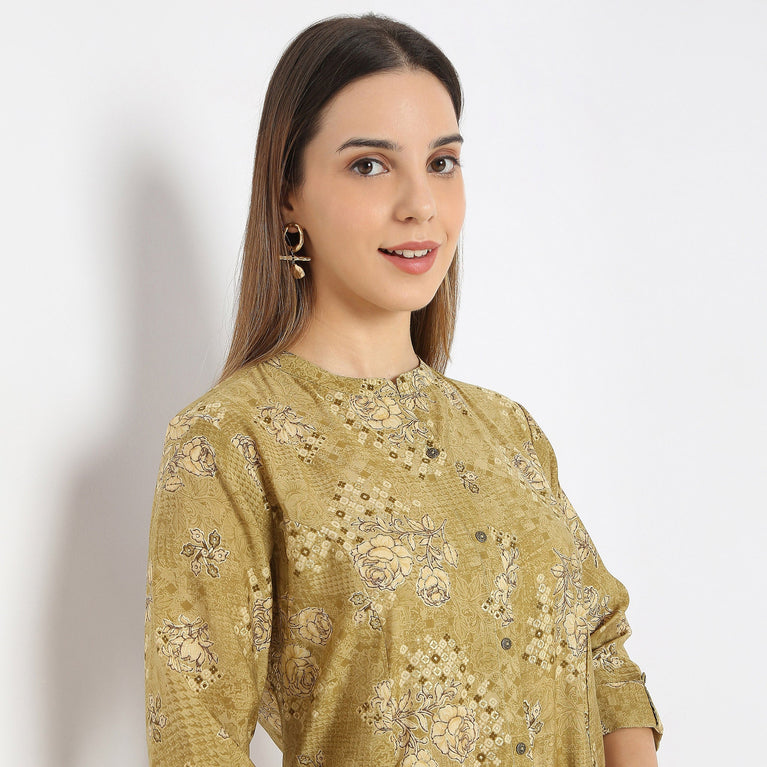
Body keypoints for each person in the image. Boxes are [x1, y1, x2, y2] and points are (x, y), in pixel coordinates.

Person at [144, 13, 664, 767]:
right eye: (370, 165)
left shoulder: (508, 431)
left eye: (442, 162)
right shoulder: (231, 441)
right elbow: (197, 741)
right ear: (288, 195)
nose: (421, 203)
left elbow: (604, 654)